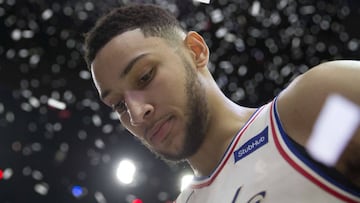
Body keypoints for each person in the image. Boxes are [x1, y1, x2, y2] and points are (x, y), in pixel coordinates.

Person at [83, 4, 360, 202]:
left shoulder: (314, 108)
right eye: (118, 104)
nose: (136, 113)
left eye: (144, 77)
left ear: (196, 51)